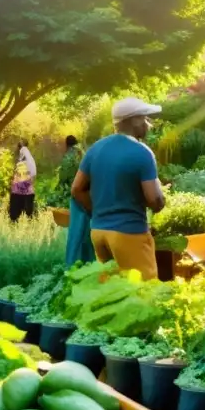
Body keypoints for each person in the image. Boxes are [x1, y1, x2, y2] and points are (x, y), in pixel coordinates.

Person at [71, 98, 165, 279]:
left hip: (98, 232)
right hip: (129, 233)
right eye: (145, 119)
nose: (149, 124)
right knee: (143, 291)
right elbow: (154, 200)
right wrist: (161, 200)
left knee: (111, 293)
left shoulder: (95, 149)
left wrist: (97, 211)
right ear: (135, 120)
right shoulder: (142, 152)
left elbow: (76, 189)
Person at [61, 136, 95, 267]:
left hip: (81, 196)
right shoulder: (82, 151)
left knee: (77, 240)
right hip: (84, 196)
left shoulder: (72, 153)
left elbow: (69, 182)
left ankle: (74, 269)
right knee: (84, 238)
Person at [9, 139, 37, 222]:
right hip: (27, 193)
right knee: (27, 218)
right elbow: (33, 173)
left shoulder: (21, 157)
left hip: (18, 193)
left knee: (15, 218)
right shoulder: (30, 158)